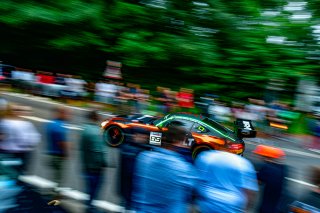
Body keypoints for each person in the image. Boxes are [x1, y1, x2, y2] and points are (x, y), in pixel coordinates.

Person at [131, 125, 197, 213]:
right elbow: (195, 191)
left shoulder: (143, 158)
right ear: (177, 142)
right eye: (183, 141)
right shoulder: (183, 168)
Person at [0, 105, 41, 175]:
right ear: (9, 111)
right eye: (15, 110)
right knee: (8, 172)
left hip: (24, 152)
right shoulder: (4, 123)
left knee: (21, 173)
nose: (18, 112)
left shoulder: (27, 124)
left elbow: (35, 138)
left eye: (19, 110)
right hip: (8, 152)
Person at [118, 127, 151, 211]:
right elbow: (132, 172)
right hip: (131, 190)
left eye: (146, 138)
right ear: (135, 136)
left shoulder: (126, 147)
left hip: (128, 190)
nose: (144, 139)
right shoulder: (132, 150)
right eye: (142, 137)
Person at [80, 111, 107, 213]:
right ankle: (90, 208)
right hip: (96, 168)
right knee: (94, 189)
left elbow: (82, 148)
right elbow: (98, 151)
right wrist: (103, 163)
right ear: (96, 117)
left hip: (86, 164)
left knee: (89, 188)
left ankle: (89, 205)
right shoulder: (97, 131)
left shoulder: (85, 129)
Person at [253, 145, 287, 213]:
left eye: (261, 155)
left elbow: (257, 182)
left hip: (267, 207)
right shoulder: (283, 168)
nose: (259, 157)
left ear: (265, 157)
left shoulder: (266, 168)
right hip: (279, 205)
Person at [46, 106, 71, 185]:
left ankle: (55, 191)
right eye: (67, 114)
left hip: (51, 153)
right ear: (61, 113)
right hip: (58, 155)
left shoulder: (52, 123)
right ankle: (55, 194)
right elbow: (62, 142)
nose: (69, 116)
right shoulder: (60, 125)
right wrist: (66, 153)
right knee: (58, 178)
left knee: (55, 176)